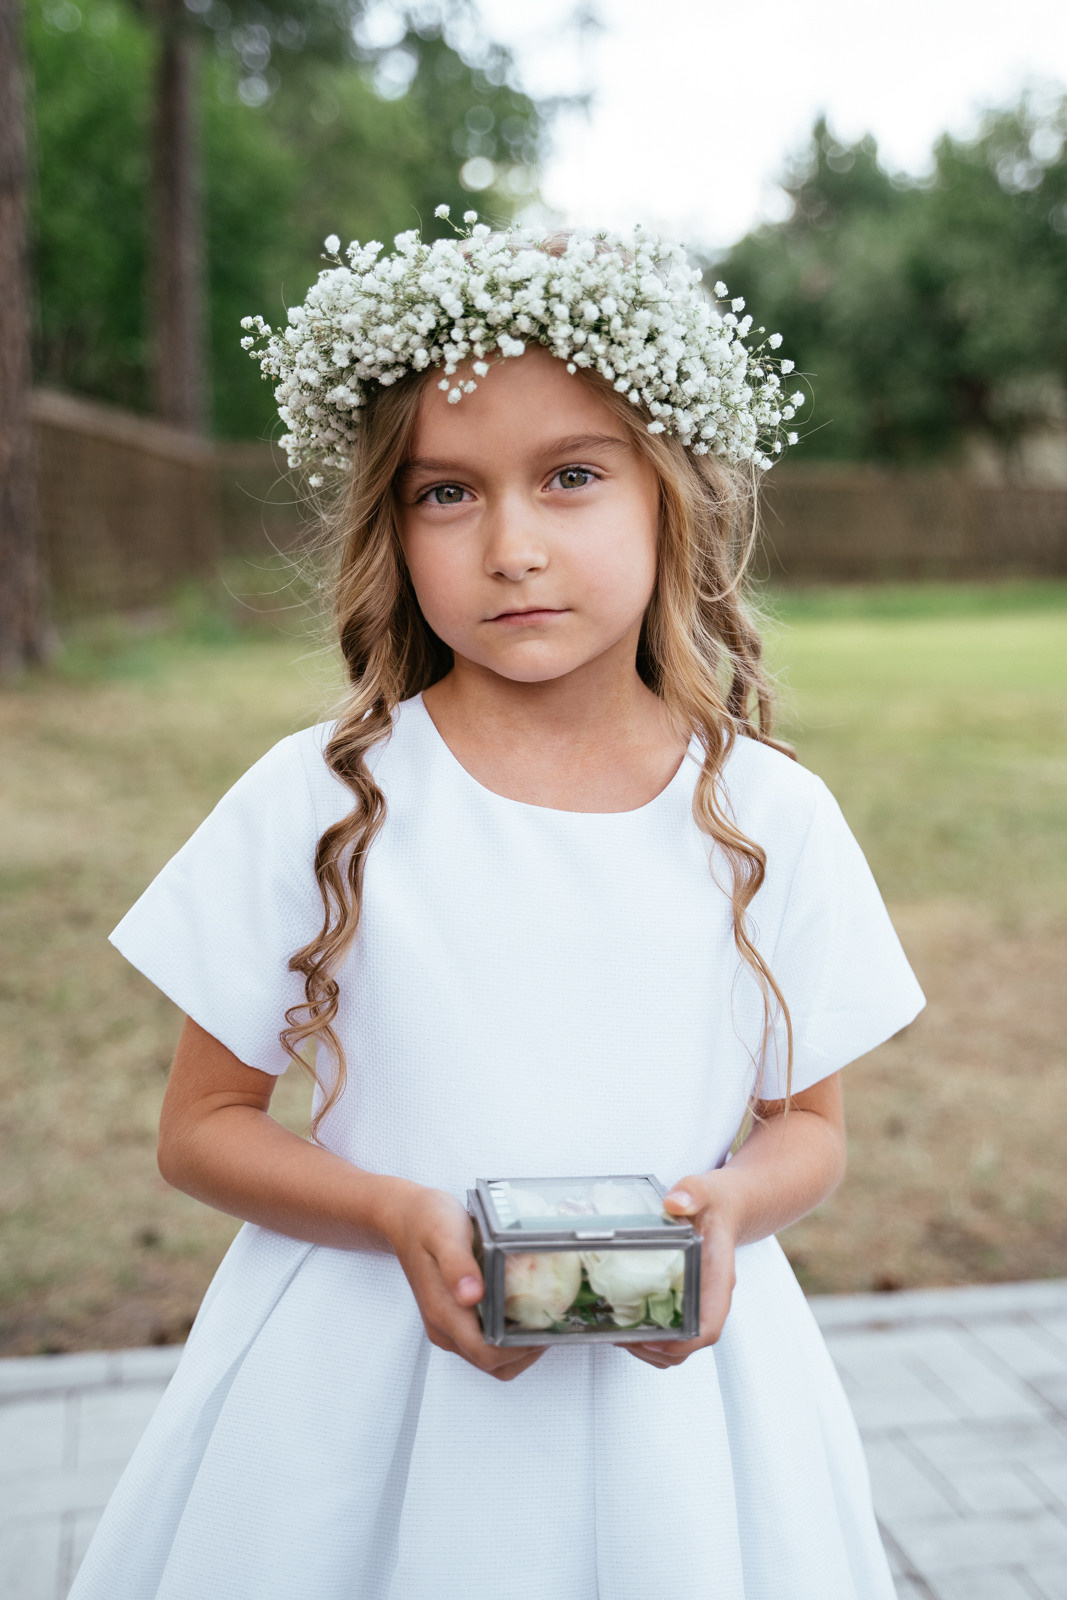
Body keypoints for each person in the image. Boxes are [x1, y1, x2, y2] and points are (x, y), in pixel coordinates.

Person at [69, 216, 924, 1600]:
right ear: (392, 527)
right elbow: (202, 1130)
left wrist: (731, 1209)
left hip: (683, 1429)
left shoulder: (771, 818)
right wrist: (396, 1217)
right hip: (359, 1392)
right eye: (446, 494)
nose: (512, 544)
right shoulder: (323, 800)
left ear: (672, 496)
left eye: (572, 477)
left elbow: (808, 1131)